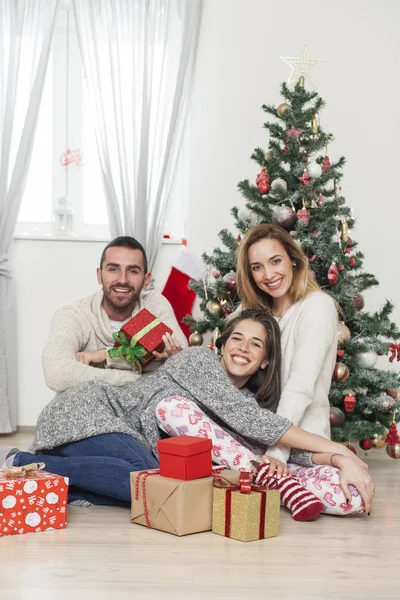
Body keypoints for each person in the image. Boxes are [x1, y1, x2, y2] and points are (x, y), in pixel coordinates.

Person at [2, 310, 374, 519]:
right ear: (222, 344)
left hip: (123, 439)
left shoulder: (247, 404)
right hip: (89, 414)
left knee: (163, 489)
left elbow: (279, 444)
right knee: (150, 480)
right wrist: (340, 452)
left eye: (255, 344)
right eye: (237, 339)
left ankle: (43, 474)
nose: (243, 348)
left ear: (265, 362)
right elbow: (260, 427)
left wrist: (337, 462)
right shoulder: (198, 361)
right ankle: (24, 461)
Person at [236, 223, 338, 466]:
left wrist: (276, 455)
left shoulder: (317, 306)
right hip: (253, 437)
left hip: (301, 442)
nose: (268, 275)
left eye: (275, 261)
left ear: (293, 259)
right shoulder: (251, 311)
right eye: (257, 267)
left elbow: (300, 388)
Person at [42, 236, 187, 393]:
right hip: (92, 407)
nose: (122, 280)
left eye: (133, 271)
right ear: (99, 275)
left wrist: (106, 355)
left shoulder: (152, 303)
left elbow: (181, 352)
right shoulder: (74, 313)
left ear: (146, 280)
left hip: (143, 407)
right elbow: (58, 373)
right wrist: (137, 378)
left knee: (199, 356)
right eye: (113, 269)